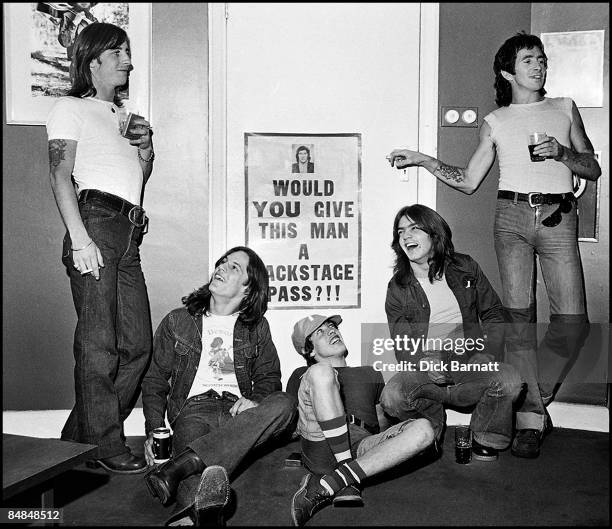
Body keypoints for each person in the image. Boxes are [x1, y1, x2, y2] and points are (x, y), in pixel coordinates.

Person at [387, 33, 600, 458]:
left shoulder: (564, 108)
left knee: (573, 324)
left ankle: (528, 395)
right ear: (508, 71)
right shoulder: (496, 120)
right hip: (511, 217)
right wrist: (423, 159)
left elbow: (591, 167)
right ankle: (532, 416)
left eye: (541, 59)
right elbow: (467, 181)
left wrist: (560, 152)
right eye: (528, 60)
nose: (538, 66)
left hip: (558, 216)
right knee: (519, 322)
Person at [46, 22, 155, 473]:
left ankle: (75, 444)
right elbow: (59, 174)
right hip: (96, 221)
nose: (127, 60)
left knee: (139, 346)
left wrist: (147, 148)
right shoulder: (70, 108)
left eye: (128, 52)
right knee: (98, 345)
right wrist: (80, 238)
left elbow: (138, 180)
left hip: (129, 231)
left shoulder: (124, 118)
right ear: (93, 62)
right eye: (118, 53)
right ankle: (108, 447)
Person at [142, 247, 297, 526]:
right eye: (223, 262)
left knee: (285, 403)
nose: (222, 267)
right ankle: (198, 513)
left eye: (234, 267)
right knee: (202, 462)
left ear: (248, 289)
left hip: (238, 414)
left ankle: (180, 466)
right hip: (193, 410)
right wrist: (155, 428)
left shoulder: (257, 327)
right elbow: (154, 380)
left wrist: (257, 400)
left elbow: (269, 377)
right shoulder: (178, 320)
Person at [379, 205, 522, 465]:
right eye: (400, 232)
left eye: (414, 228)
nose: (405, 236)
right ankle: (429, 431)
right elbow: (401, 342)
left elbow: (493, 314)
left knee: (509, 380)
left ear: (434, 233)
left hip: (467, 359)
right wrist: (422, 362)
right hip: (426, 365)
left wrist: (486, 353)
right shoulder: (398, 287)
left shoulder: (465, 266)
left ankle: (485, 436)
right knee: (392, 396)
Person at [287, 314, 435, 526]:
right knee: (321, 372)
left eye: (331, 327)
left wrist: (394, 440)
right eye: (320, 332)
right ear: (307, 350)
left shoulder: (369, 372)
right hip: (319, 441)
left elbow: (382, 420)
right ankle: (346, 468)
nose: (331, 331)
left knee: (424, 430)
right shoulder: (301, 374)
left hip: (360, 442)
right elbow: (293, 423)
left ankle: (331, 483)